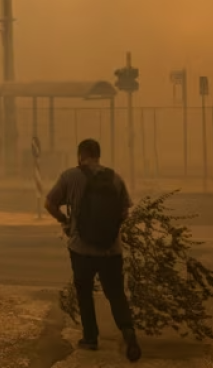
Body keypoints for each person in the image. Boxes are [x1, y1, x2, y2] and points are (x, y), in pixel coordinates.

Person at [44, 138, 142, 362]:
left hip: (81, 249)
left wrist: (65, 220)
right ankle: (128, 332)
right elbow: (124, 212)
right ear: (98, 155)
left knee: (84, 292)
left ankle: (90, 338)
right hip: (111, 250)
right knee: (116, 294)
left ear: (81, 155)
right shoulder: (115, 178)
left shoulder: (70, 176)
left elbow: (49, 203)